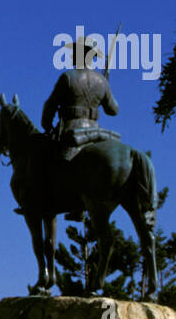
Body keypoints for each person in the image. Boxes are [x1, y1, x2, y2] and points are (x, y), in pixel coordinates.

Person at [42, 35, 121, 220]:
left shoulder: (67, 77)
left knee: (49, 164)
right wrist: (105, 86)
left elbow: (50, 105)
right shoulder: (102, 82)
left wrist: (46, 124)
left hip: (71, 131)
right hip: (96, 132)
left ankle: (53, 203)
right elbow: (113, 110)